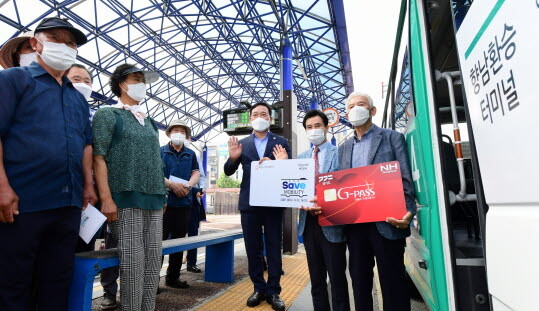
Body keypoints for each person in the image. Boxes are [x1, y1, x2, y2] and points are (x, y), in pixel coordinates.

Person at [0, 17, 96, 310]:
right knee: (14, 281)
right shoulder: (14, 80)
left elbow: (84, 144)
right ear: (35, 43)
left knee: (57, 280)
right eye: (56, 39)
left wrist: (88, 186)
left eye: (71, 44)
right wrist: (2, 187)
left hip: (67, 204)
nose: (65, 47)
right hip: (23, 202)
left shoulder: (77, 98)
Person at [92, 63, 166, 310]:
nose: (142, 85)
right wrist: (106, 198)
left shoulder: (151, 123)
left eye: (143, 80)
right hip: (124, 197)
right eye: (136, 79)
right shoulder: (108, 115)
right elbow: (99, 157)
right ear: (121, 83)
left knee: (153, 262)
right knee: (133, 264)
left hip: (153, 198)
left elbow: (155, 161)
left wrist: (162, 195)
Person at [338, 92, 416, 311]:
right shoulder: (343, 148)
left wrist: (408, 212)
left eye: (361, 105)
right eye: (351, 106)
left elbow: (405, 179)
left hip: (388, 221)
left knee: (393, 283)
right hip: (356, 226)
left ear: (372, 110)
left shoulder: (392, 138)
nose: (355, 109)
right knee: (360, 283)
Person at [224, 102, 290, 311]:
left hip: (273, 203)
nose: (259, 117)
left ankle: (274, 291)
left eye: (264, 114)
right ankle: (258, 288)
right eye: (255, 114)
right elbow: (227, 171)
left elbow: (291, 174)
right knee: (253, 249)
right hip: (249, 204)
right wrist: (233, 158)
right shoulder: (242, 144)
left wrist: (282, 163)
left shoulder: (281, 142)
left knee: (273, 248)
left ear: (269, 118)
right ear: (250, 119)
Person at [298, 110, 350, 311]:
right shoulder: (302, 158)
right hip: (308, 224)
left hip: (332, 223)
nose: (313, 130)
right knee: (316, 279)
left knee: (337, 279)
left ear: (327, 128)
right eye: (309, 127)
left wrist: (326, 201)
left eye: (317, 126)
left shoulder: (341, 153)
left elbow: (345, 188)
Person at [161, 120, 200, 288]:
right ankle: (152, 282)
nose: (178, 133)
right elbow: (154, 171)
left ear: (186, 136)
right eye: (175, 130)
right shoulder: (160, 151)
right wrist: (171, 185)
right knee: (158, 243)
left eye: (182, 131)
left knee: (178, 242)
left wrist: (188, 186)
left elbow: (196, 172)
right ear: (169, 133)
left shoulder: (190, 154)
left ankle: (173, 278)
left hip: (184, 203)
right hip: (163, 204)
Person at [184, 138, 207, 273]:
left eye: (184, 134)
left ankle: (191, 262)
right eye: (176, 131)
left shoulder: (193, 154)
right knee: (171, 233)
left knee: (193, 231)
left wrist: (201, 189)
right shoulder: (163, 152)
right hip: (172, 194)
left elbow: (201, 175)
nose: (181, 136)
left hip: (192, 195)